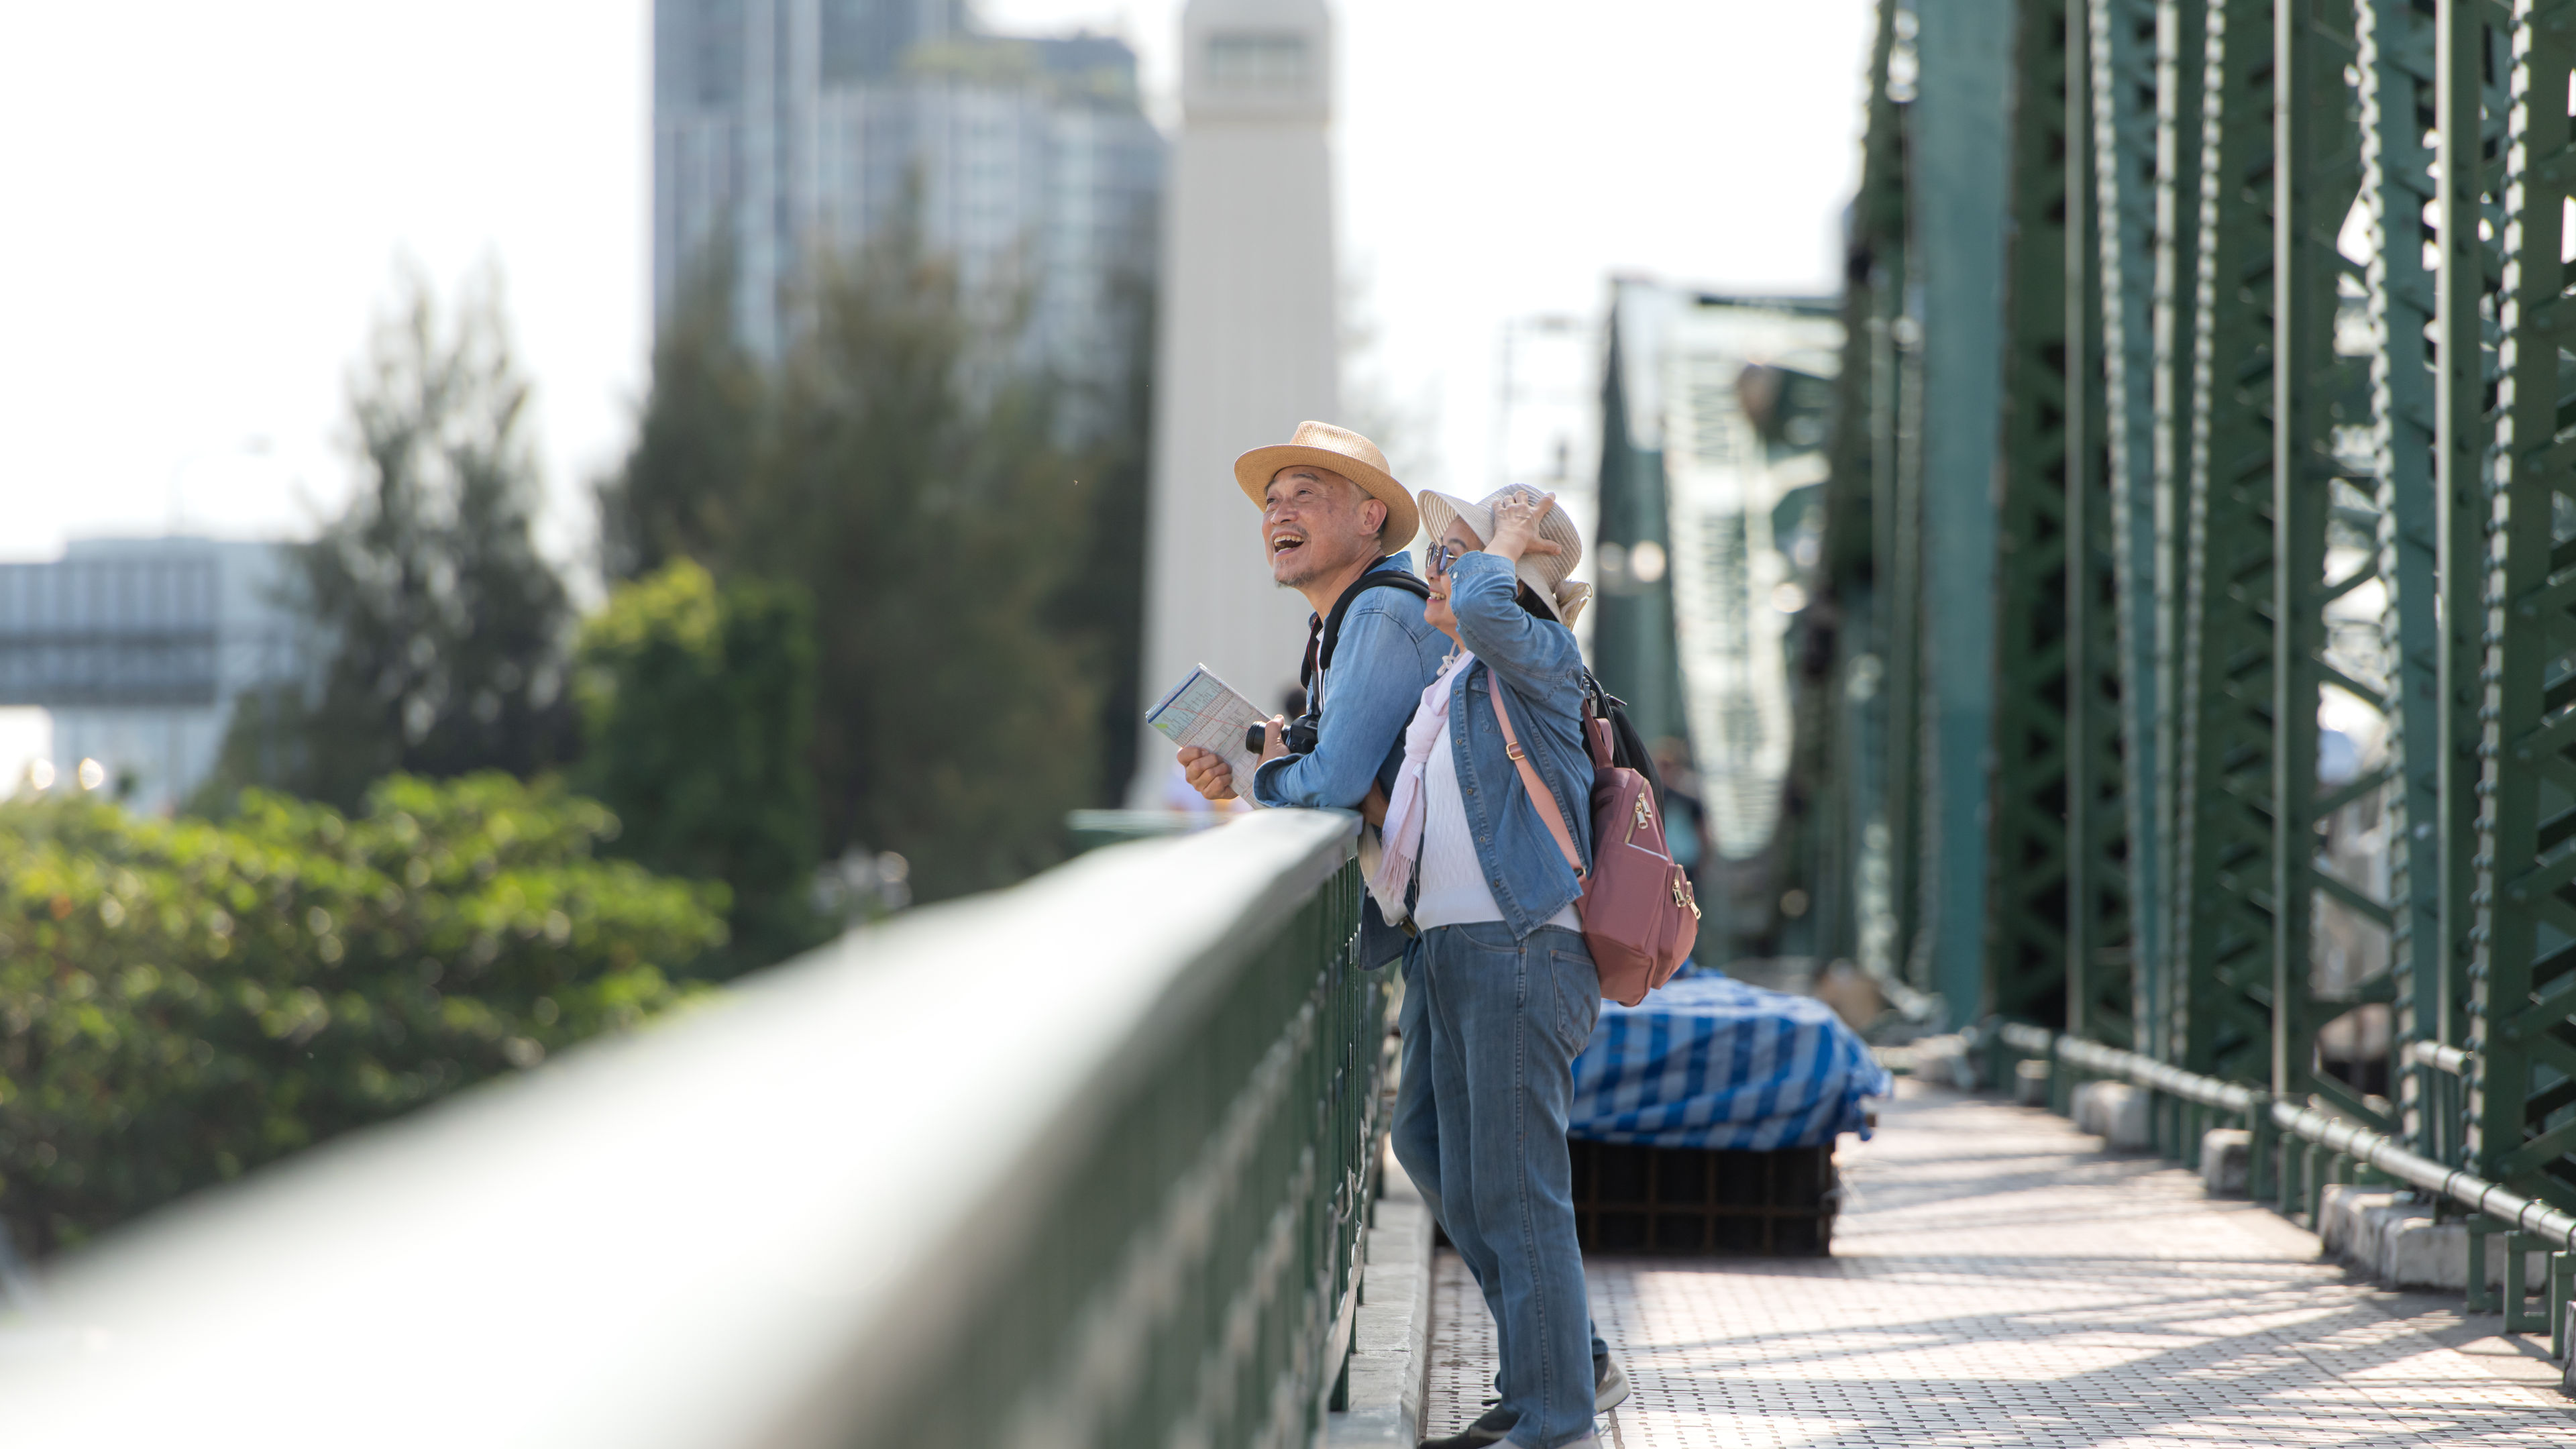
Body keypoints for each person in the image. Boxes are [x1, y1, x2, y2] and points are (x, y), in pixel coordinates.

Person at [1371, 485, 1603, 1449]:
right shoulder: (1455, 682)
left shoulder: (1542, 659)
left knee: (1517, 1185)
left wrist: (1504, 545)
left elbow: (1481, 605)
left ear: (1516, 573)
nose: (1437, 571)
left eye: (1453, 552)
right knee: (1435, 1151)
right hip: (1450, 948)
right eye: (1435, 554)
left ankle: (1556, 1412)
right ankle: (1544, 1366)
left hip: (1522, 945)